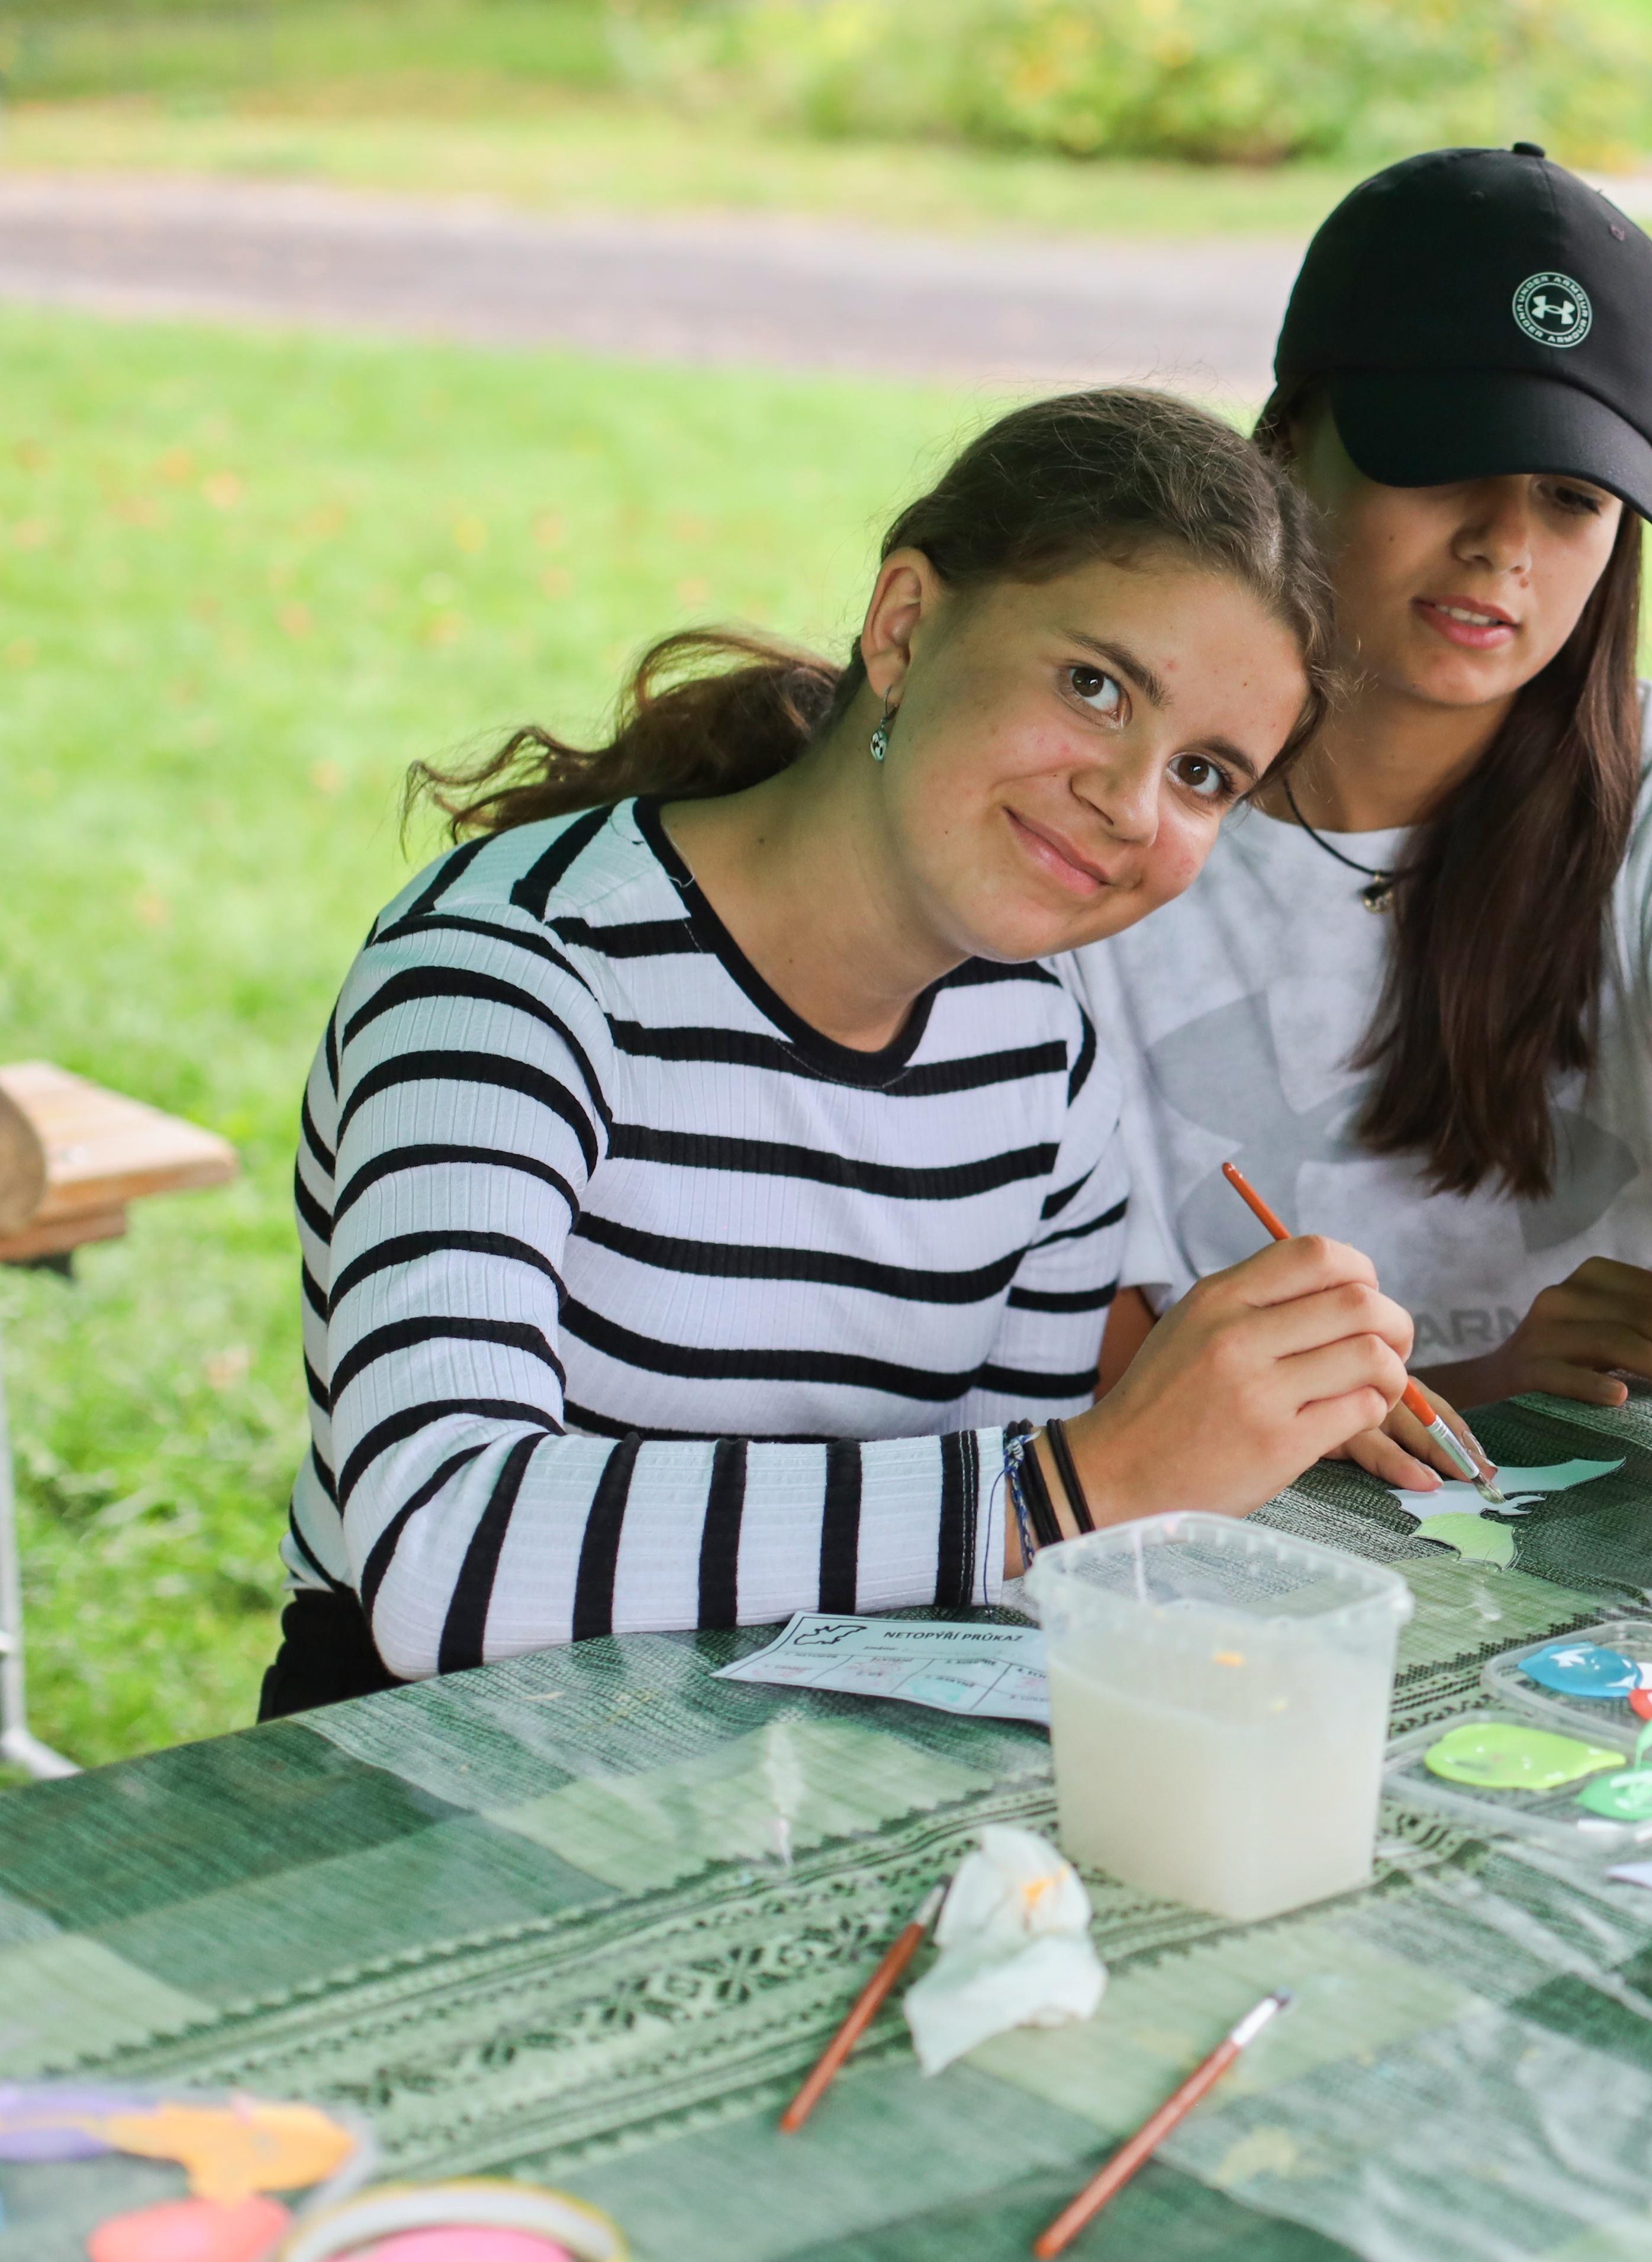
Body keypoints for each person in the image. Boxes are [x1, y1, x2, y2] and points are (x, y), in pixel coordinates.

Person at [268, 389, 1434, 1714]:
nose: (1128, 802)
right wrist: (1074, 1480)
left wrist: (1127, 1484)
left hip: (782, 1749)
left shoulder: (1042, 1053)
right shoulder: (514, 972)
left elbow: (999, 1579)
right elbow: (444, 1553)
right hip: (416, 1769)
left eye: (1206, 775)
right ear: (905, 625)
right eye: (1094, 687)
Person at [1077, 144, 1652, 1614]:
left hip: (1574, 1562)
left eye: (1571, 495)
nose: (1503, 546)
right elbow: (1045, 1305)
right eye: (1443, 460)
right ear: (1287, 442)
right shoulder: (1106, 806)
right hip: (1183, 1569)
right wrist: (1459, 1385)